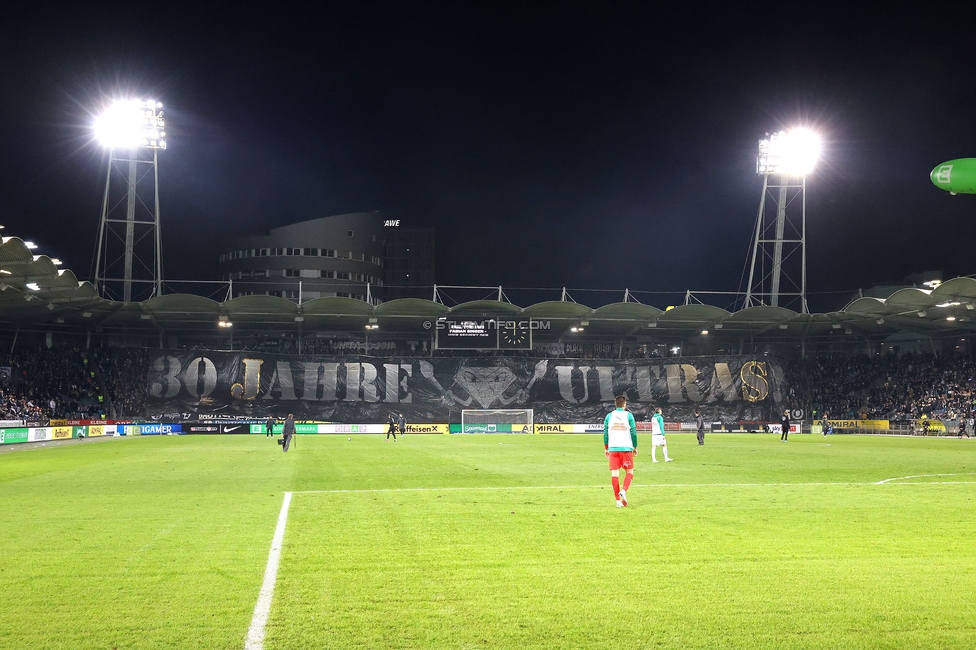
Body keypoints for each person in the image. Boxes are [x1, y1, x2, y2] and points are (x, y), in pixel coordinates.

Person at [603, 395, 637, 507]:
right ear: (625, 404)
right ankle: (623, 490)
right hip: (626, 448)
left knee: (615, 474)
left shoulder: (609, 416)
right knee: (630, 472)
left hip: (613, 448)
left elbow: (605, 433)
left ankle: (618, 501)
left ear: (615, 404)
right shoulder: (629, 415)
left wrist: (606, 447)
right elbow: (633, 433)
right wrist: (635, 446)